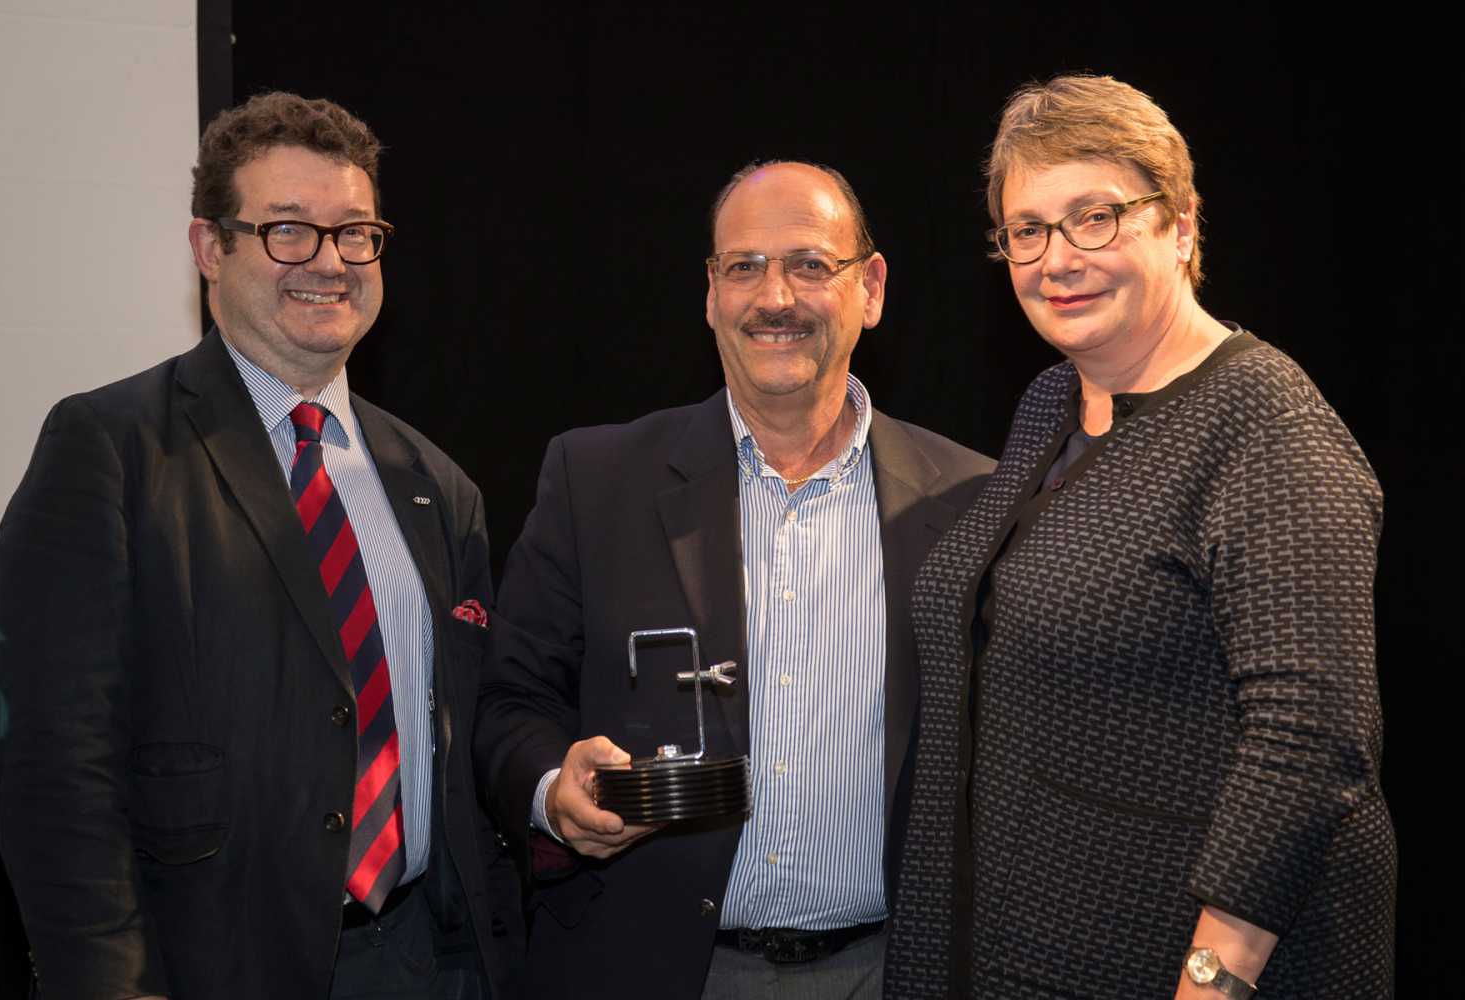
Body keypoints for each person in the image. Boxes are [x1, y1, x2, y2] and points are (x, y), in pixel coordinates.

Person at [0, 92, 521, 999]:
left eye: (355, 232)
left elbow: (463, 739)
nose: (328, 261)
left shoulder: (437, 485)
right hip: (203, 966)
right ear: (210, 248)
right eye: (287, 230)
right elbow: (54, 768)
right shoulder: (109, 450)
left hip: (426, 962)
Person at [885, 75, 1396, 999]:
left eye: (1096, 216)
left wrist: (1212, 980)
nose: (1057, 258)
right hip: (1018, 954)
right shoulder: (1051, 404)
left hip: (1179, 972)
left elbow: (1313, 740)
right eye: (1027, 230)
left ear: (1183, 226)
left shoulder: (1266, 424)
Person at [474, 161, 994, 999]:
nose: (774, 297)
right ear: (711, 292)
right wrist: (548, 787)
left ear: (871, 288)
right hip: (649, 970)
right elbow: (507, 703)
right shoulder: (596, 480)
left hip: (893, 973)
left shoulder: (972, 498)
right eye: (745, 266)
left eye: (810, 265)